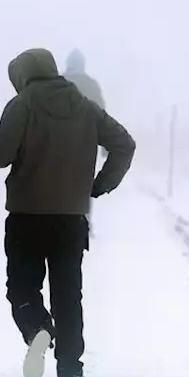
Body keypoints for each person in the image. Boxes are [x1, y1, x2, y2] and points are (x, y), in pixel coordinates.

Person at [0, 47, 135, 377]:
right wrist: (98, 186)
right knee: (68, 292)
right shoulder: (85, 106)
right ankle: (71, 366)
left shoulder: (22, 104)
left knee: (22, 287)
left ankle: (38, 327)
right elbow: (124, 144)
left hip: (26, 216)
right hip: (71, 218)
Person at [63, 48, 107, 236]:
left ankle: (60, 221)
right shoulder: (91, 85)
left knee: (59, 181)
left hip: (57, 144)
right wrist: (105, 144)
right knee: (82, 184)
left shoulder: (57, 82)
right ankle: (83, 223)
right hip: (85, 144)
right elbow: (102, 114)